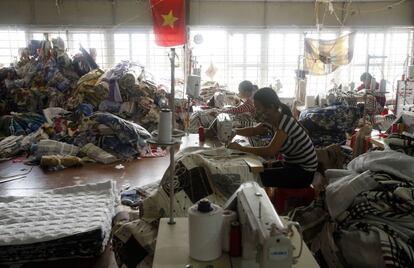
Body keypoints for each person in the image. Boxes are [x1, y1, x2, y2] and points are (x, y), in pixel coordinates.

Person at [227, 87, 318, 188]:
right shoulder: (270, 120)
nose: (256, 111)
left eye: (258, 108)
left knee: (256, 176)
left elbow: (270, 151)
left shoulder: (285, 122)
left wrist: (241, 148)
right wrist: (232, 132)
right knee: (255, 168)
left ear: (271, 107)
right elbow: (253, 130)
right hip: (292, 164)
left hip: (304, 172)